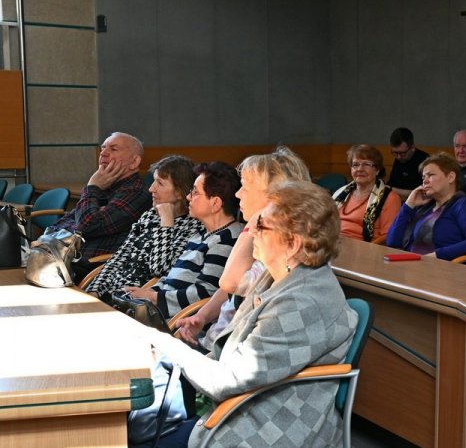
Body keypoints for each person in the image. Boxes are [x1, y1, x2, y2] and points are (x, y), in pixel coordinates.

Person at [129, 181, 358, 448]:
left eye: (261, 225)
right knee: (139, 428)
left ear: (293, 243)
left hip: (271, 420)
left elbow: (227, 382)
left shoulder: (301, 301)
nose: (249, 228)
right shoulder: (281, 275)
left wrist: (167, 345)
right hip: (252, 399)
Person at [174, 146, 311, 351]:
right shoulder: (263, 238)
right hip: (214, 344)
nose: (237, 194)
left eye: (245, 188)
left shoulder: (280, 250)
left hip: (226, 355)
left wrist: (255, 220)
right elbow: (228, 290)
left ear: (275, 196)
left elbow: (229, 282)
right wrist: (201, 317)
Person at [123, 162, 242, 320]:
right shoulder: (200, 235)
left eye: (195, 192)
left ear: (215, 203)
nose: (188, 197)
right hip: (163, 313)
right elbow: (171, 278)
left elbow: (205, 293)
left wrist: (153, 297)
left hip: (179, 322)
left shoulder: (227, 239)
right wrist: (148, 292)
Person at [85, 155, 203, 297]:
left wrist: (166, 222)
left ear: (179, 192)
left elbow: (161, 269)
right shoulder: (149, 216)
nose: (151, 189)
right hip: (111, 292)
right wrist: (94, 290)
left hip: (137, 299)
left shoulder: (193, 226)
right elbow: (119, 257)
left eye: (160, 183)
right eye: (154, 181)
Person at [45, 131, 151, 281]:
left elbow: (86, 225)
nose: (103, 154)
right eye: (103, 149)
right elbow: (64, 223)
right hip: (61, 261)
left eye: (113, 149)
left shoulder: (136, 192)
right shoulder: (105, 186)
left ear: (134, 162)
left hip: (89, 270)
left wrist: (92, 187)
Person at [386, 151, 466, 260]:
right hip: (411, 266)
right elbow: (392, 241)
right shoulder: (425, 207)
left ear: (451, 177)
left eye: (430, 175)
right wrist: (408, 205)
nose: (425, 181)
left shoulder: (463, 205)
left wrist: (437, 255)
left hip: (441, 270)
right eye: (423, 177)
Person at [333, 144, 402, 241]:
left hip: (365, 250)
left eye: (366, 164)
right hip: (333, 244)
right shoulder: (340, 192)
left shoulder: (390, 198)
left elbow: (387, 237)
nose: (360, 169)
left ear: (377, 170)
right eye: (355, 165)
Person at [387, 127, 429, 199]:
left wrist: (390, 189)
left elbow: (421, 193)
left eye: (402, 153)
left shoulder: (426, 162)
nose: (398, 157)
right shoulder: (399, 159)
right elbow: (392, 183)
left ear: (412, 148)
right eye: (395, 153)